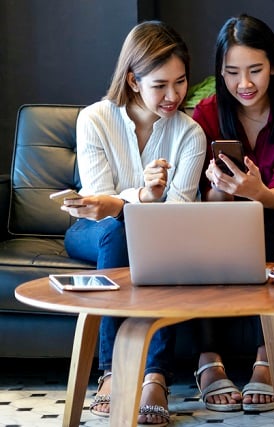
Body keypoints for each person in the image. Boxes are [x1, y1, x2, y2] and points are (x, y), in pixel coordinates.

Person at [61, 21, 206, 427]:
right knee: (118, 230)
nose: (174, 96)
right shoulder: (94, 119)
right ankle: (113, 370)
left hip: (156, 236)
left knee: (151, 241)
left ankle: (154, 375)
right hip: (94, 229)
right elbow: (97, 198)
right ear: (133, 79)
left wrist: (142, 205)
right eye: (160, 85)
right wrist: (142, 197)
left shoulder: (190, 133)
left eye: (180, 82)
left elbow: (177, 214)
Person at [190, 14, 274, 413]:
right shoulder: (206, 115)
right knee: (205, 234)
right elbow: (204, 205)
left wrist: (256, 192)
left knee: (263, 219)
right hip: (220, 221)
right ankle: (208, 359)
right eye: (232, 73)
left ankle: (269, 355)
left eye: (255, 71)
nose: (244, 84)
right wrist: (221, 192)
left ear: (273, 66)